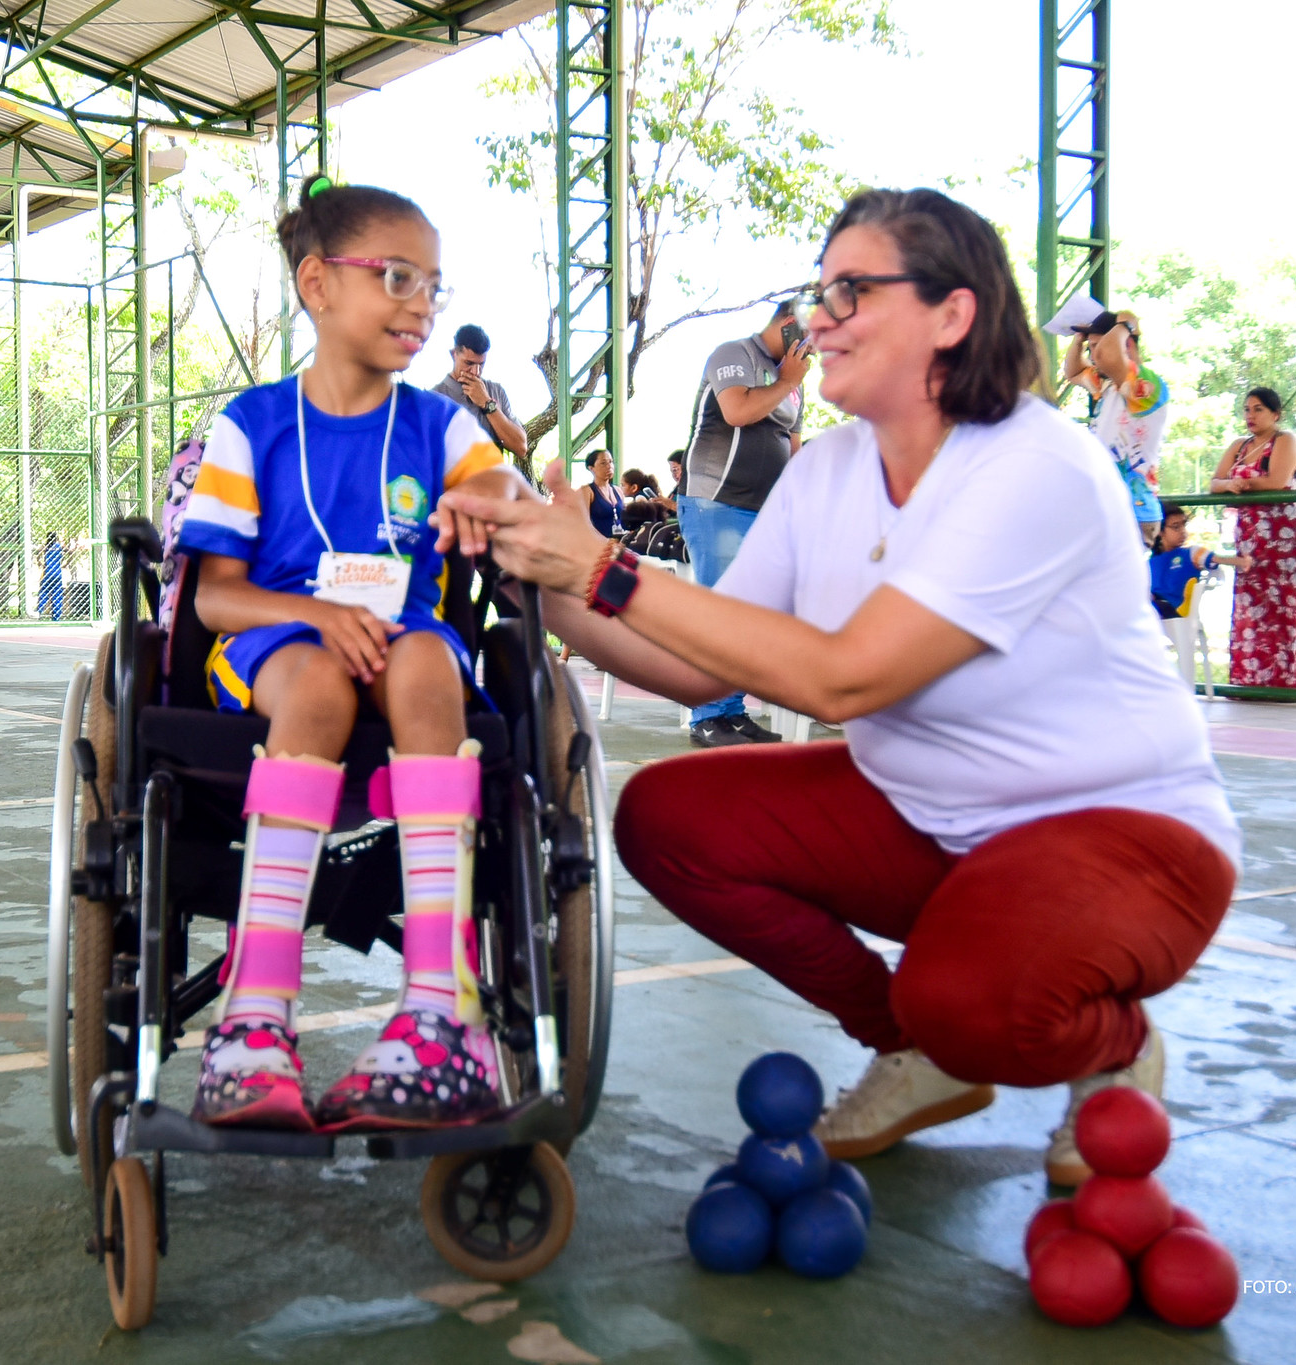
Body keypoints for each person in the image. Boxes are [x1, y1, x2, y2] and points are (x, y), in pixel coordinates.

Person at [440, 186, 1240, 1189]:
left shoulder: (1038, 463)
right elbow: (703, 666)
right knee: (667, 819)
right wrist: (536, 581)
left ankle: (1109, 1042)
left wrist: (602, 566)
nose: (816, 321)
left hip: (1123, 840)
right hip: (927, 820)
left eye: (852, 293)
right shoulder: (826, 470)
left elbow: (846, 676)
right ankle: (911, 1049)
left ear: (952, 316)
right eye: (818, 295)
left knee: (974, 1001)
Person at [174, 179, 521, 1133]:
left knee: (425, 662)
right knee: (323, 675)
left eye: (433, 286)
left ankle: (443, 1015)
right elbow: (214, 596)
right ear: (318, 284)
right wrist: (315, 616)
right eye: (398, 277)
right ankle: (254, 1014)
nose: (421, 304)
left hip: (403, 638)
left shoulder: (441, 424)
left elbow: (515, 499)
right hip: (279, 643)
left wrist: (484, 502)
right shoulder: (252, 425)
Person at [676, 299, 811, 746]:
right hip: (716, 503)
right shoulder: (734, 354)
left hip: (761, 512)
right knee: (723, 611)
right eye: (812, 336)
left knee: (749, 615)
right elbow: (737, 411)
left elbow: (791, 447)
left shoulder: (797, 383)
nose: (817, 348)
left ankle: (731, 711)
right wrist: (788, 379)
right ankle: (707, 716)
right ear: (790, 325)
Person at [1211, 387, 1296, 690]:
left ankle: (1293, 684)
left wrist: (1241, 483)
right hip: (1250, 542)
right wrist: (1230, 484)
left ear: (1275, 414)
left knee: (1286, 612)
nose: (1251, 416)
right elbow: (1214, 483)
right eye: (1247, 409)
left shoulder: (1285, 441)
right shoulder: (1238, 446)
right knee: (1253, 612)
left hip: (1287, 542)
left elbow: (1276, 481)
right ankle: (1253, 682)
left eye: (1258, 409)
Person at [1062, 309, 1168, 541]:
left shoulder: (1145, 385)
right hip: (1107, 507)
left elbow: (1108, 357)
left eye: (1097, 348)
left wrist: (1126, 325)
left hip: (1134, 511)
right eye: (1091, 350)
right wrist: (1080, 339)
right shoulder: (1106, 383)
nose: (1093, 357)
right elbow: (1071, 372)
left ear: (1126, 345)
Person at [433, 323, 529, 466]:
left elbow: (521, 447)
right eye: (468, 363)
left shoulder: (496, 391)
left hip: (494, 484)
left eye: (481, 364)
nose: (475, 371)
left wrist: (487, 403)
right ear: (454, 354)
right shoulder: (435, 398)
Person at [1150, 502, 1253, 619]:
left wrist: (1243, 562)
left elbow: (1218, 559)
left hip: (1176, 614)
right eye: (1176, 527)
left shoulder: (1192, 553)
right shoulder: (1149, 563)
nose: (1183, 531)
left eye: (1184, 525)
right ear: (1160, 531)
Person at [579, 448, 625, 538]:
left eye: (611, 462)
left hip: (619, 542)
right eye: (603, 463)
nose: (609, 466)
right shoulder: (587, 491)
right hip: (599, 543)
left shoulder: (618, 490)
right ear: (591, 468)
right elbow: (583, 523)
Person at [35, 533, 64, 620]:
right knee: (57, 594)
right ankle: (56, 616)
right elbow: (69, 551)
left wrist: (40, 562)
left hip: (47, 572)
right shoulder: (59, 546)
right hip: (57, 573)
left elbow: (38, 553)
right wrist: (65, 562)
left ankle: (39, 612)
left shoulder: (46, 546)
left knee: (44, 592)